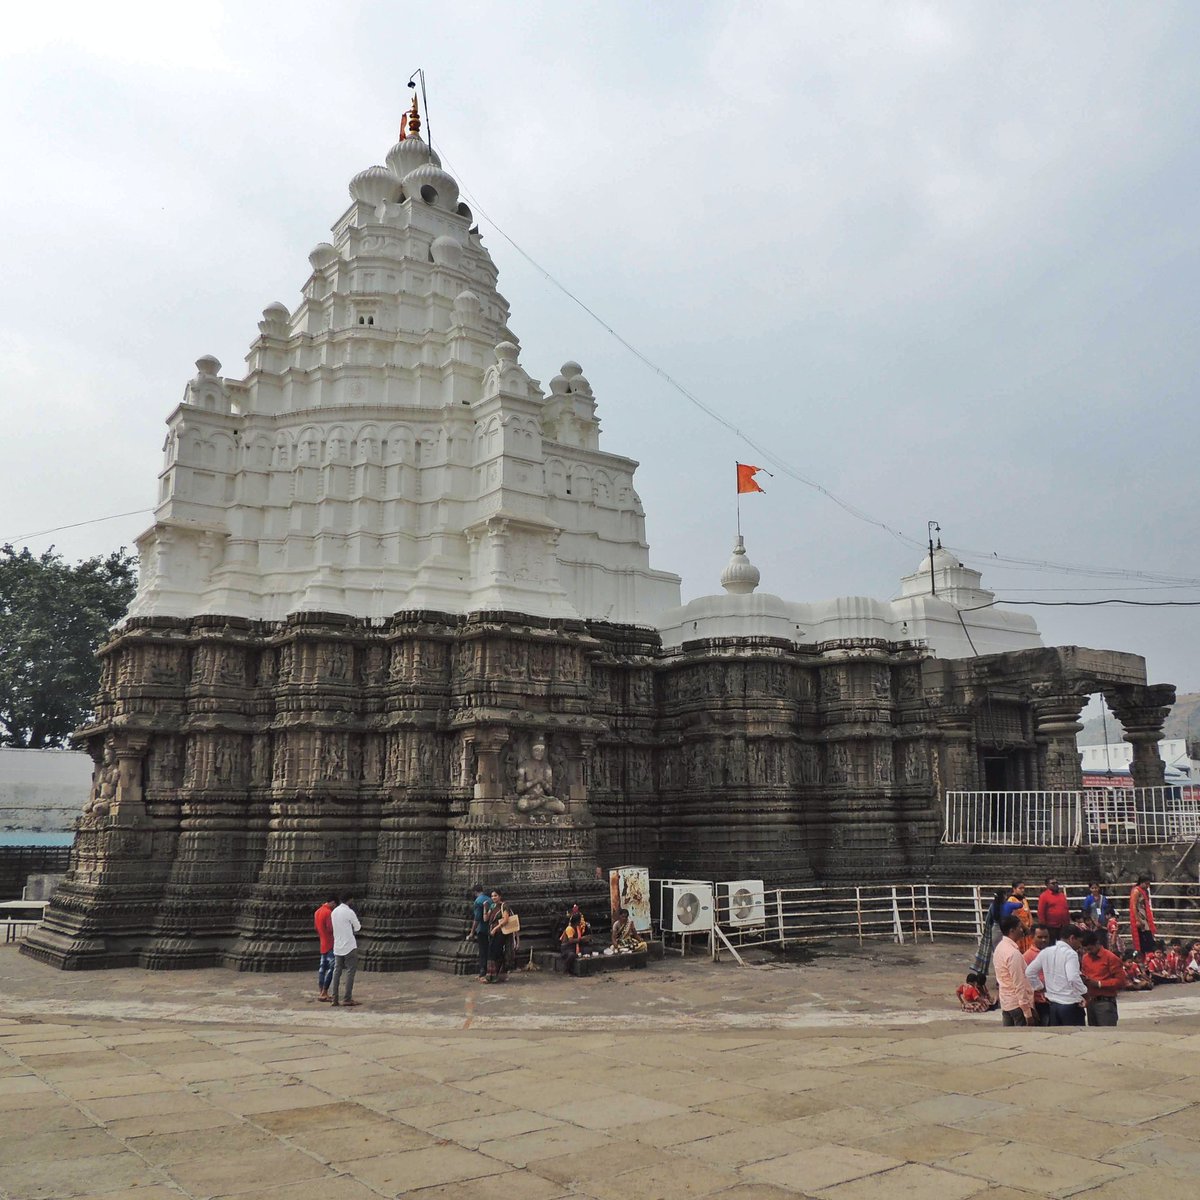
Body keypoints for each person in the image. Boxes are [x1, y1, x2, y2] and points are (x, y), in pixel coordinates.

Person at [1025, 924, 1088, 1026]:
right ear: (1072, 938)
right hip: (1069, 1004)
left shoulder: (1046, 952)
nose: (1080, 945)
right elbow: (1072, 978)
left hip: (1053, 1005)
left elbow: (1029, 972)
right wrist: (1085, 994)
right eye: (1079, 941)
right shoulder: (1070, 954)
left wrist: (1040, 987)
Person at [992, 914, 1036, 1027]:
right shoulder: (1013, 953)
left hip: (1006, 1003)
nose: (1022, 930)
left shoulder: (1000, 948)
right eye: (1019, 928)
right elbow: (1019, 984)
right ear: (1012, 930)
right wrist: (1028, 1013)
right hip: (1017, 1005)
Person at [1080, 929, 1127, 1026]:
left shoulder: (1111, 958)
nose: (1088, 952)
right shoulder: (1085, 958)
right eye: (1086, 950)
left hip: (1105, 1002)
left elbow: (1121, 981)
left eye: (1090, 949)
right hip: (1091, 1001)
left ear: (1097, 943)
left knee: (1107, 1033)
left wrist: (1099, 984)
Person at [969, 889, 1008, 982]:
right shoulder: (1006, 906)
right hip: (1004, 931)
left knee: (997, 955)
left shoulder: (993, 906)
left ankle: (999, 978)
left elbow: (988, 920)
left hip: (995, 931)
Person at [330, 894, 362, 1008]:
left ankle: (334, 998)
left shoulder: (334, 912)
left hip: (337, 946)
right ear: (350, 900)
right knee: (350, 972)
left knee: (336, 972)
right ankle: (347, 998)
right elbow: (358, 927)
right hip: (349, 946)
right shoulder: (349, 912)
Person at [1023, 924, 1052, 1025]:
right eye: (1040, 937)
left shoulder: (1052, 953)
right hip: (1039, 1003)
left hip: (1053, 1001)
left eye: (1046, 937)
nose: (1044, 940)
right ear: (1032, 937)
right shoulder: (1027, 956)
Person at [314, 894, 336, 1002]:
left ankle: (321, 990)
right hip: (330, 943)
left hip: (322, 942)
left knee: (322, 968)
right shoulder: (328, 913)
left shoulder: (317, 912)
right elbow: (330, 928)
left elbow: (316, 928)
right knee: (332, 967)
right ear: (333, 903)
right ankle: (325, 991)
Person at [1129, 876, 1158, 958]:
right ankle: (1144, 956)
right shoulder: (1136, 891)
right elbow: (1134, 906)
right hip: (1140, 917)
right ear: (1141, 882)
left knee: (1148, 936)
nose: (1148, 886)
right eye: (1146, 884)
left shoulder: (1143, 891)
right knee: (1143, 937)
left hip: (1145, 916)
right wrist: (1137, 920)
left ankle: (1148, 955)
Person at [1002, 881, 1034, 952]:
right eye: (1020, 888)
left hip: (1027, 927)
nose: (1022, 890)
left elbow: (1028, 911)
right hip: (1019, 928)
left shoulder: (1023, 899)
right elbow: (1015, 915)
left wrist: (1031, 922)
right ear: (1014, 889)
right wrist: (1025, 927)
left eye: (1023, 888)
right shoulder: (1012, 900)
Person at [469, 883, 490, 982]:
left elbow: (477, 919)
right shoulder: (489, 899)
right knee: (488, 950)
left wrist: (472, 932)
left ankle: (482, 973)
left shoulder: (478, 901)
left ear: (474, 892)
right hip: (490, 929)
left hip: (482, 929)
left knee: (482, 952)